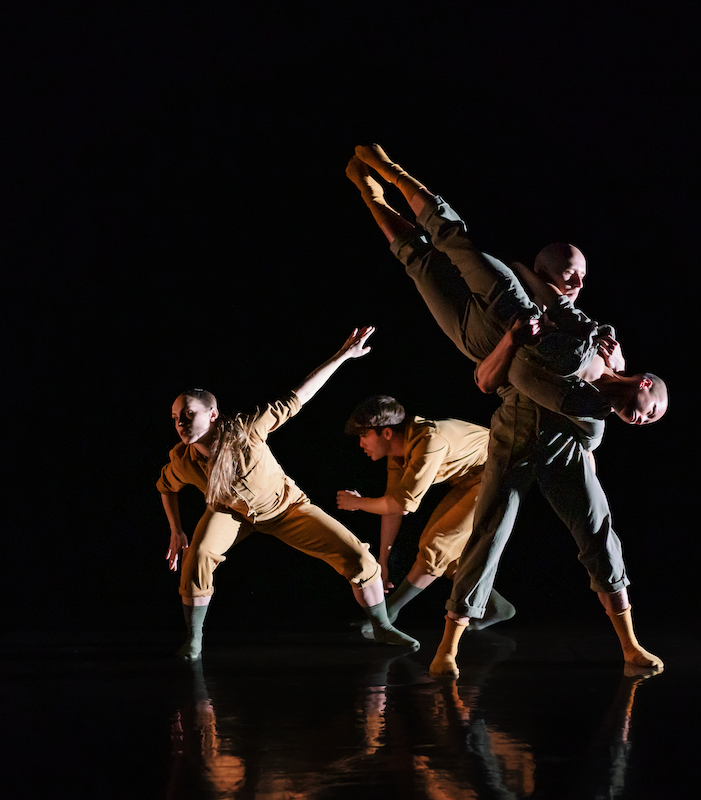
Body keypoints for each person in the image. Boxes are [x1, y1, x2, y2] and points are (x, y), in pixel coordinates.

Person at [346, 144, 664, 676]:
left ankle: (630, 646)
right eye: (571, 274)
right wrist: (522, 337)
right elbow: (493, 374)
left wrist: (550, 351)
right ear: (544, 272)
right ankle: (379, 178)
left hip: (526, 403)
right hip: (502, 361)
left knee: (595, 539)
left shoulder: (593, 349)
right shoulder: (554, 318)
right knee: (434, 251)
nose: (579, 284)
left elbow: (503, 381)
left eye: (582, 277)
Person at [157, 326, 420, 660]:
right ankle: (194, 640)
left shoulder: (248, 430)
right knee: (197, 557)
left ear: (212, 414)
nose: (181, 423)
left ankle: (382, 626)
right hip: (230, 513)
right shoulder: (183, 461)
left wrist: (343, 356)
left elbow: (299, 396)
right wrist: (176, 529)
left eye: (188, 414)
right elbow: (165, 487)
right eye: (175, 418)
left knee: (358, 557)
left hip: (286, 509)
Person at [336, 394, 515, 634]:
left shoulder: (430, 441)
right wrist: (383, 561)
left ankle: (389, 613)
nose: (361, 444)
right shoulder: (397, 454)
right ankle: (497, 607)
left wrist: (358, 503)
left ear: (386, 433)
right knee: (446, 554)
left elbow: (402, 505)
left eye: (364, 435)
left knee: (436, 546)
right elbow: (392, 507)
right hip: (471, 479)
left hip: (499, 473)